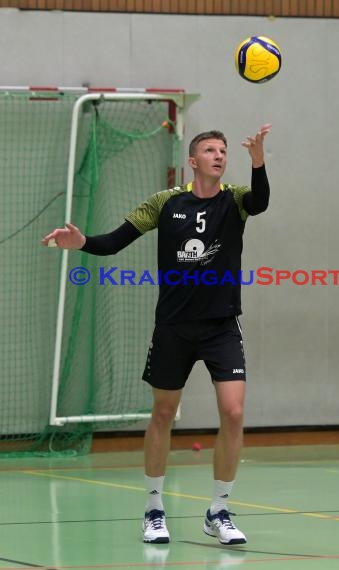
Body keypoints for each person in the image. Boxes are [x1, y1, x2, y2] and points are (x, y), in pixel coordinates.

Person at [42, 124, 271, 545]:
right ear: (193, 160)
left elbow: (261, 202)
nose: (219, 155)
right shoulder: (165, 203)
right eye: (210, 150)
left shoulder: (235, 199)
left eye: (223, 150)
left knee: (234, 413)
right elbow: (114, 242)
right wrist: (81, 242)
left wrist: (259, 161)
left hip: (222, 326)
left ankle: (218, 511)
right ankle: (153, 508)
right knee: (163, 413)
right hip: (173, 326)